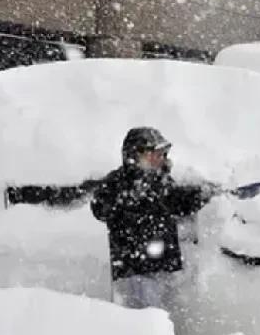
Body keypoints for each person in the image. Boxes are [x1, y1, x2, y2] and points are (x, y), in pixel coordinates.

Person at [90, 127, 222, 310]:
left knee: (164, 322)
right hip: (135, 271)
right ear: (134, 155)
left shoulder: (160, 181)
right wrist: (124, 198)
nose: (159, 158)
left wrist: (204, 193)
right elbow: (99, 209)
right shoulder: (118, 183)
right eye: (153, 154)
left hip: (164, 268)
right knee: (146, 322)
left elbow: (179, 202)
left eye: (162, 153)